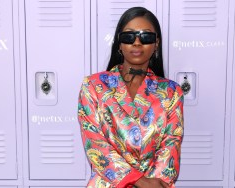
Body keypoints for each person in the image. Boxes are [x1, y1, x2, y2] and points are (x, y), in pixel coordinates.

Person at [77, 7, 184, 188]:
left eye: (146, 37)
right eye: (128, 37)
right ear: (119, 44)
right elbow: (95, 143)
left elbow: (171, 143)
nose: (136, 43)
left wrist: (153, 184)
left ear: (156, 43)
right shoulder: (93, 86)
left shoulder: (171, 92)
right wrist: (138, 181)